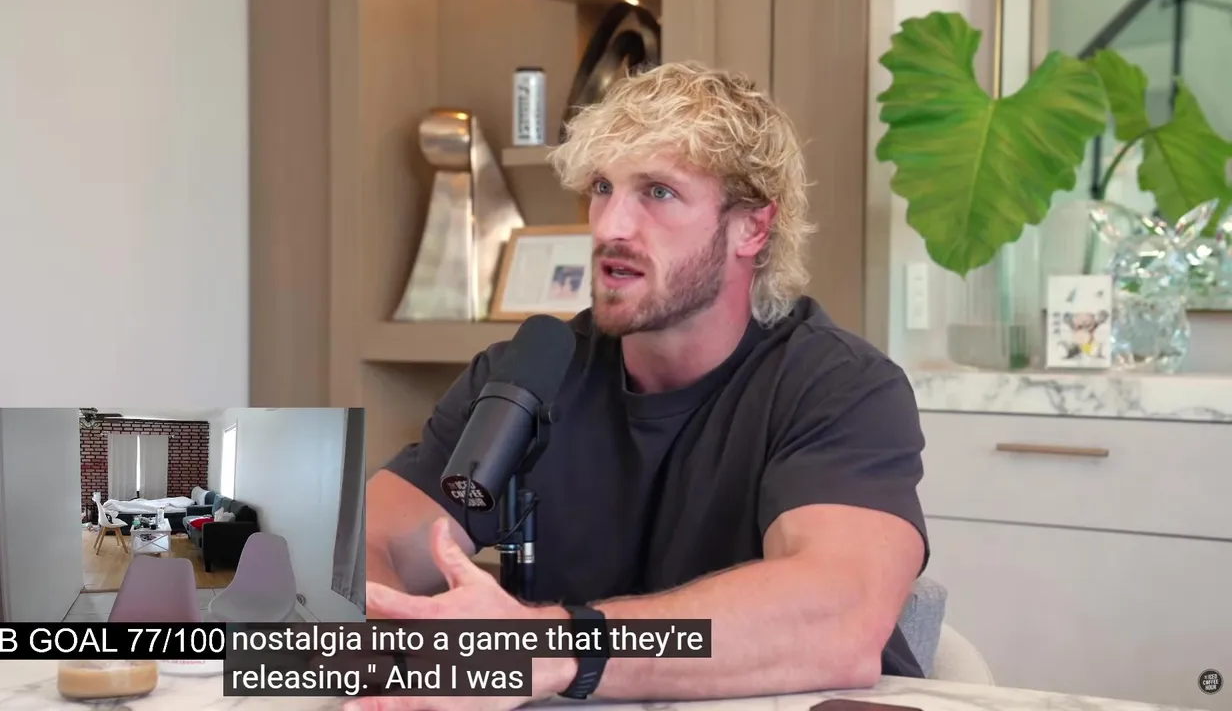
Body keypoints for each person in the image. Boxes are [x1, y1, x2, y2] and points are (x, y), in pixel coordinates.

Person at [355, 61, 929, 711]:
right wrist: (394, 650)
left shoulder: (839, 387)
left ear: (752, 227)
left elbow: (836, 619)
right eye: (603, 187)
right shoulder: (530, 371)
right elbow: (362, 546)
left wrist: (556, 649)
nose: (609, 227)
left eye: (658, 192)